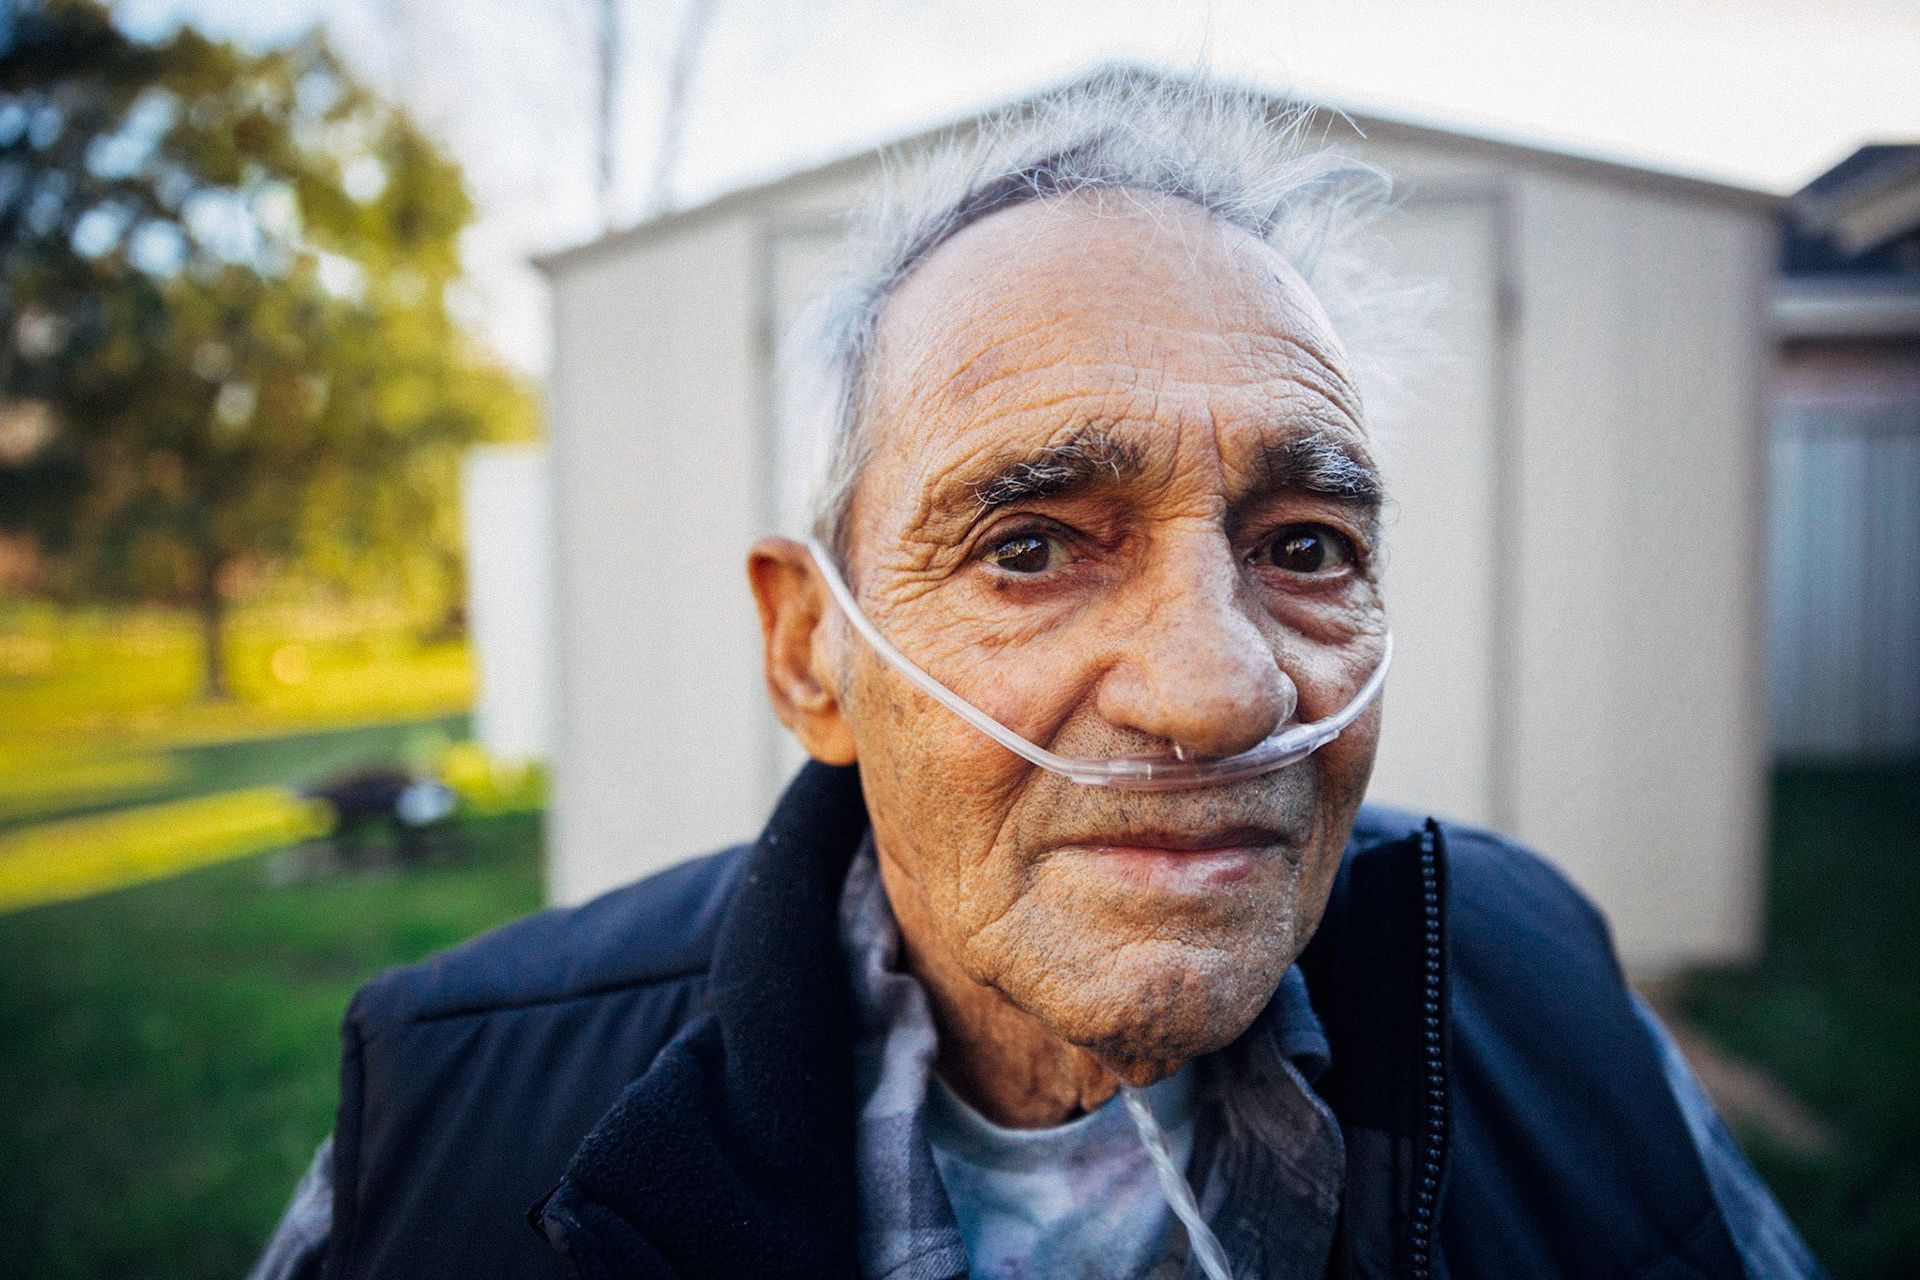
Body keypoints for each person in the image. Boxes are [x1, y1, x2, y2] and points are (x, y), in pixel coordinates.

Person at [253, 72, 1823, 1280]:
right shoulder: (450, 1113)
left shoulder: (1548, 996)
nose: (1218, 697)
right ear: (812, 653)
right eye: (1029, 545)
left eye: (1304, 545)